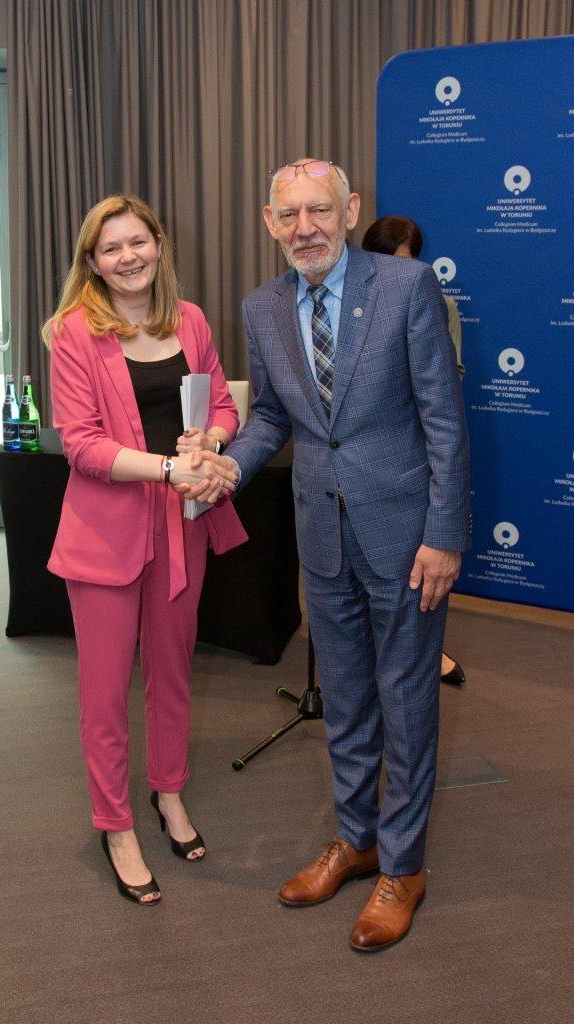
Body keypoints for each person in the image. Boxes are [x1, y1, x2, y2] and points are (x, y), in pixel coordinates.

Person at [184, 159, 470, 950]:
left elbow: (444, 420)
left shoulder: (406, 288)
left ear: (349, 211)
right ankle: (358, 838)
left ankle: (403, 867)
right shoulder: (264, 306)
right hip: (323, 535)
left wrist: (445, 533)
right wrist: (230, 465)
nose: (304, 228)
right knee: (344, 697)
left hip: (406, 536)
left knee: (405, 700)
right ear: (268, 222)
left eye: (319, 210)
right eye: (288, 215)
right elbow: (273, 418)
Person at [43, 194, 246, 905]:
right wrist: (166, 468)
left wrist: (208, 441)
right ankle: (116, 825)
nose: (128, 257)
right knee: (104, 693)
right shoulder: (74, 332)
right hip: (105, 534)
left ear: (159, 244)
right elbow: (81, 445)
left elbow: (223, 406)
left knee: (173, 671)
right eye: (111, 248)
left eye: (138, 241)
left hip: (182, 526)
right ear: (93, 263)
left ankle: (169, 793)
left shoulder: (189, 320)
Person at [362, 214, 466, 686]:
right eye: (383, 260)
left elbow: (447, 388)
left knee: (415, 576)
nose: (393, 272)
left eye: (403, 262)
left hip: (412, 458)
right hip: (359, 463)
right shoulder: (342, 305)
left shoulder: (437, 303)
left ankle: (428, 650)